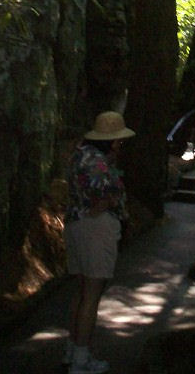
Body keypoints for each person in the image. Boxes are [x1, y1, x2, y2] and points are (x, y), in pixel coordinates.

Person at [63, 110, 135, 374]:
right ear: (112, 141)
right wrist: (113, 203)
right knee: (92, 295)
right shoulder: (99, 164)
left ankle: (73, 349)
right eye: (119, 140)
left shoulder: (79, 155)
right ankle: (81, 360)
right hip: (96, 228)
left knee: (81, 291)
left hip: (75, 223)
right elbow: (104, 197)